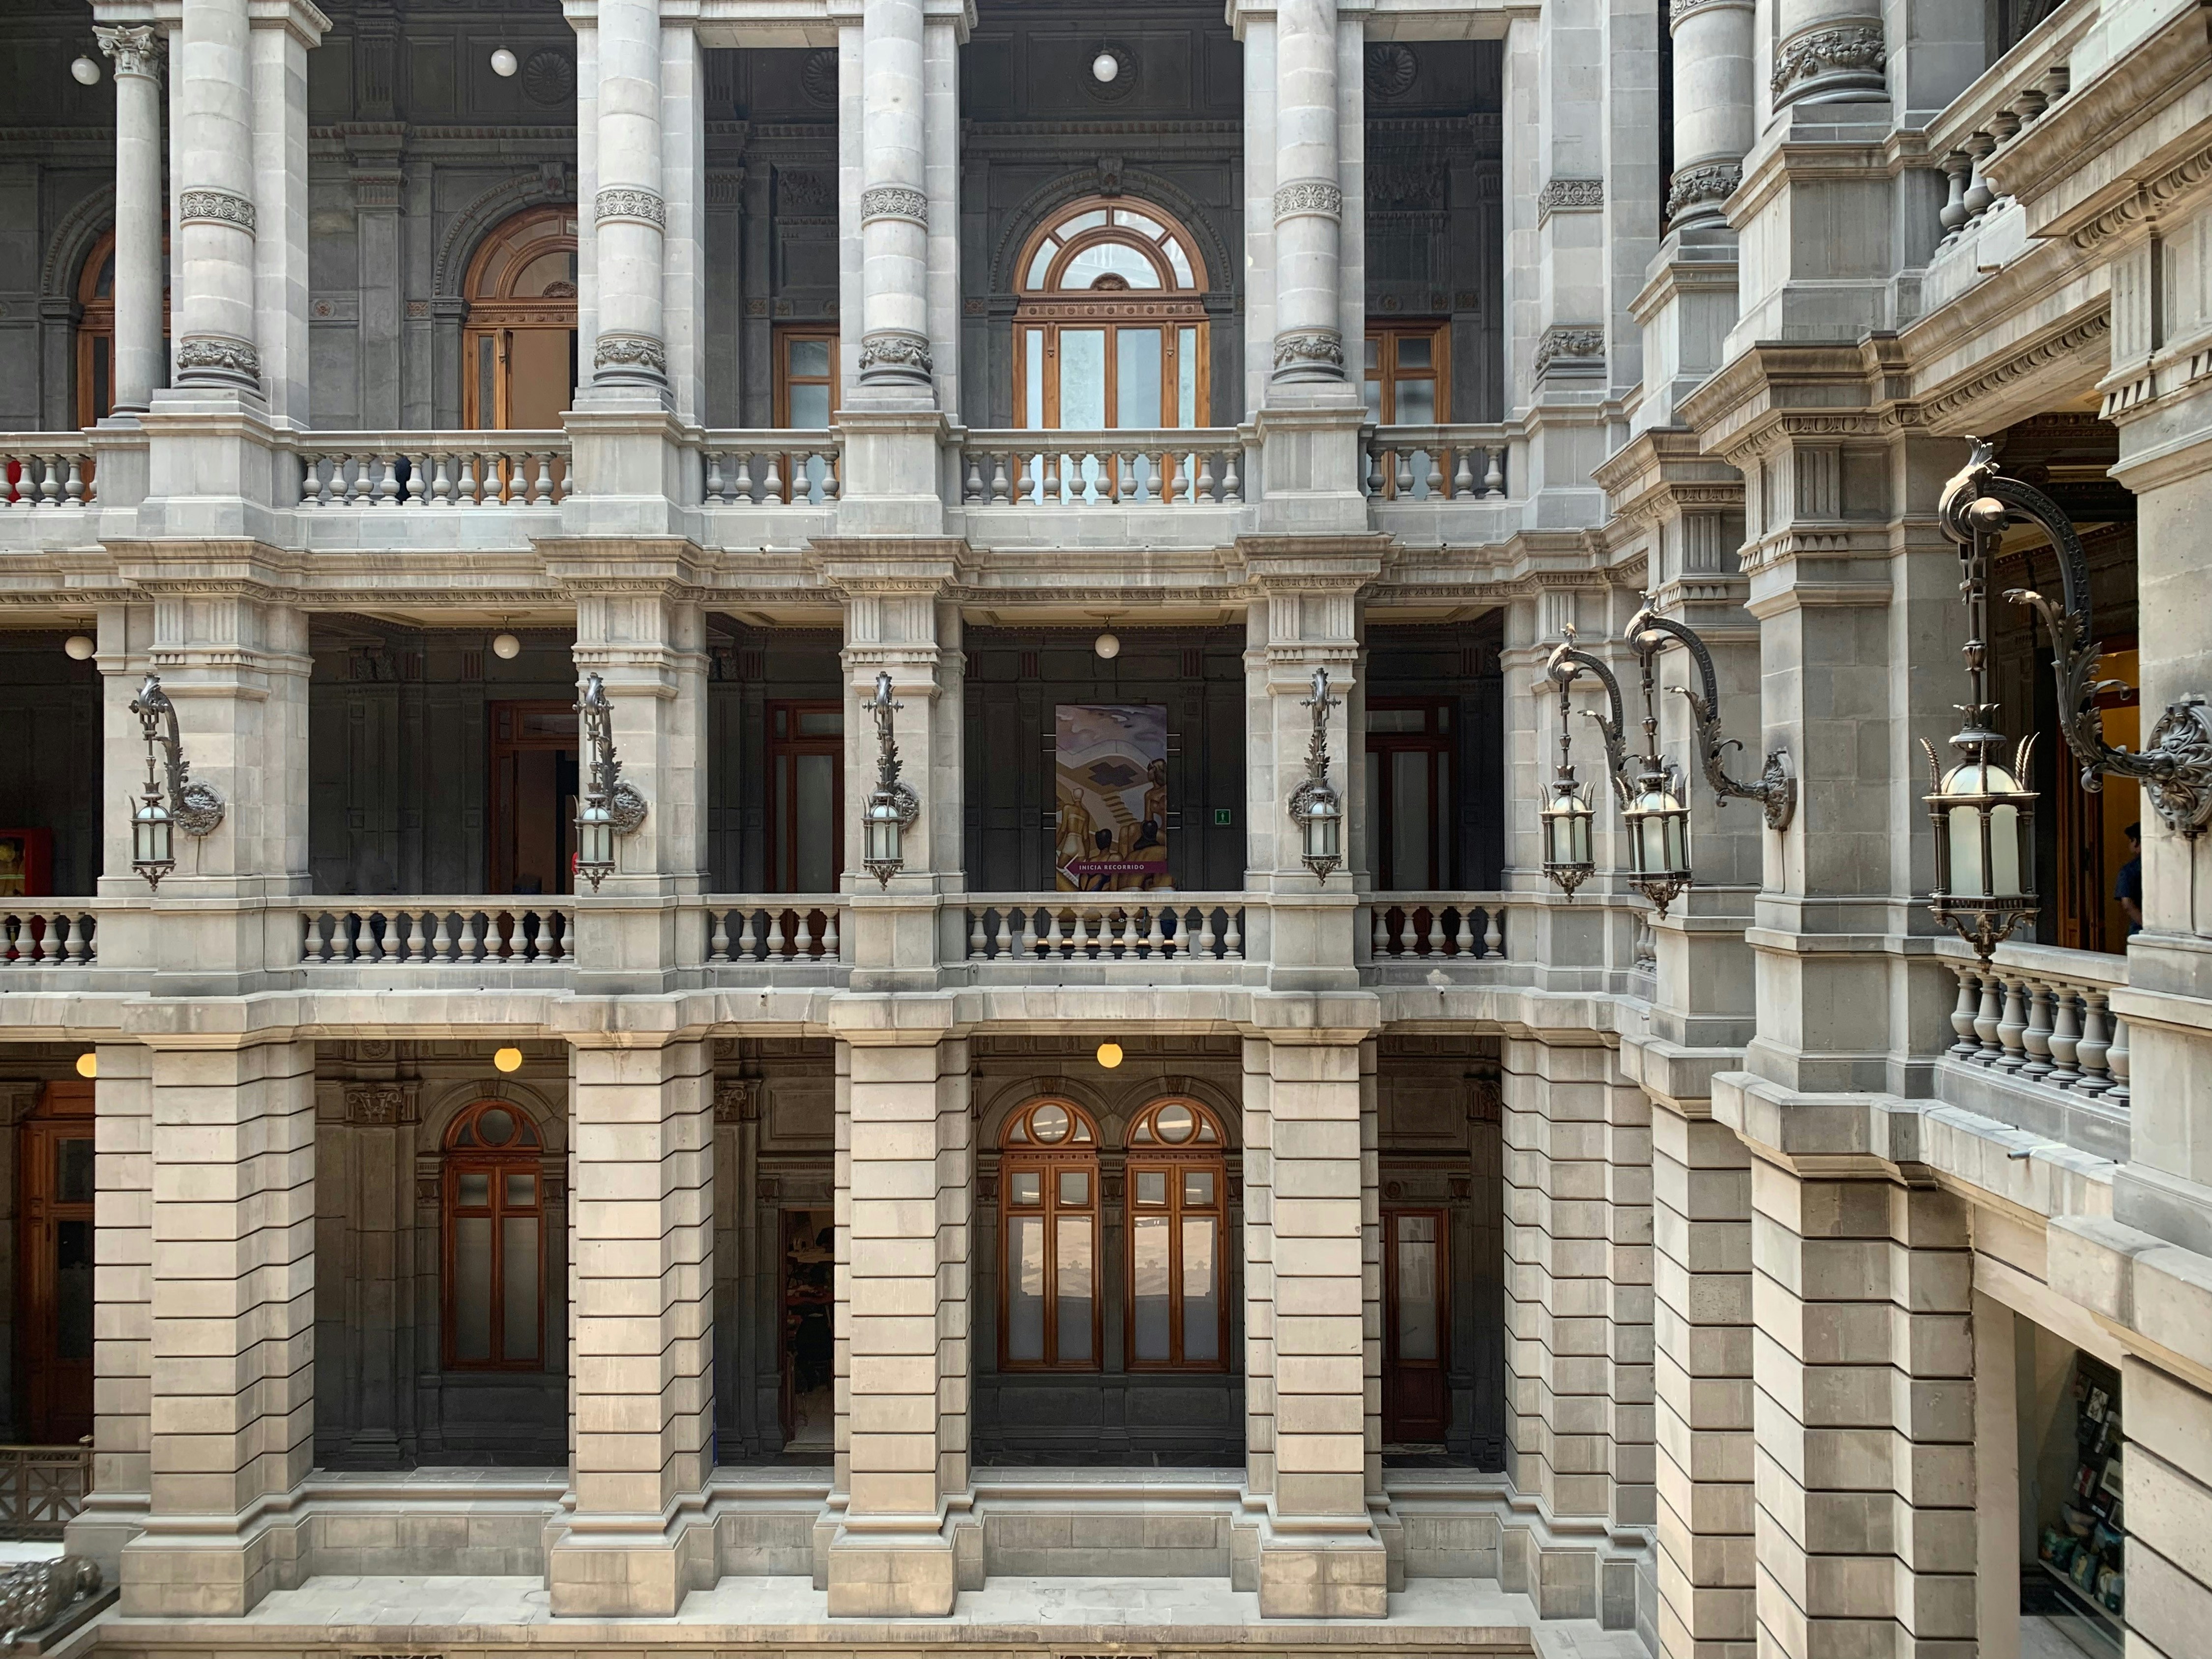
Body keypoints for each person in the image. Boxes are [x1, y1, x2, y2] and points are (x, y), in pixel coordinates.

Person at [2115, 821, 2143, 936]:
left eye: (2131, 841)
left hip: (2139, 930)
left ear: (2136, 842)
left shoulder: (2129, 870)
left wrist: (2146, 926)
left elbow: (2127, 904)